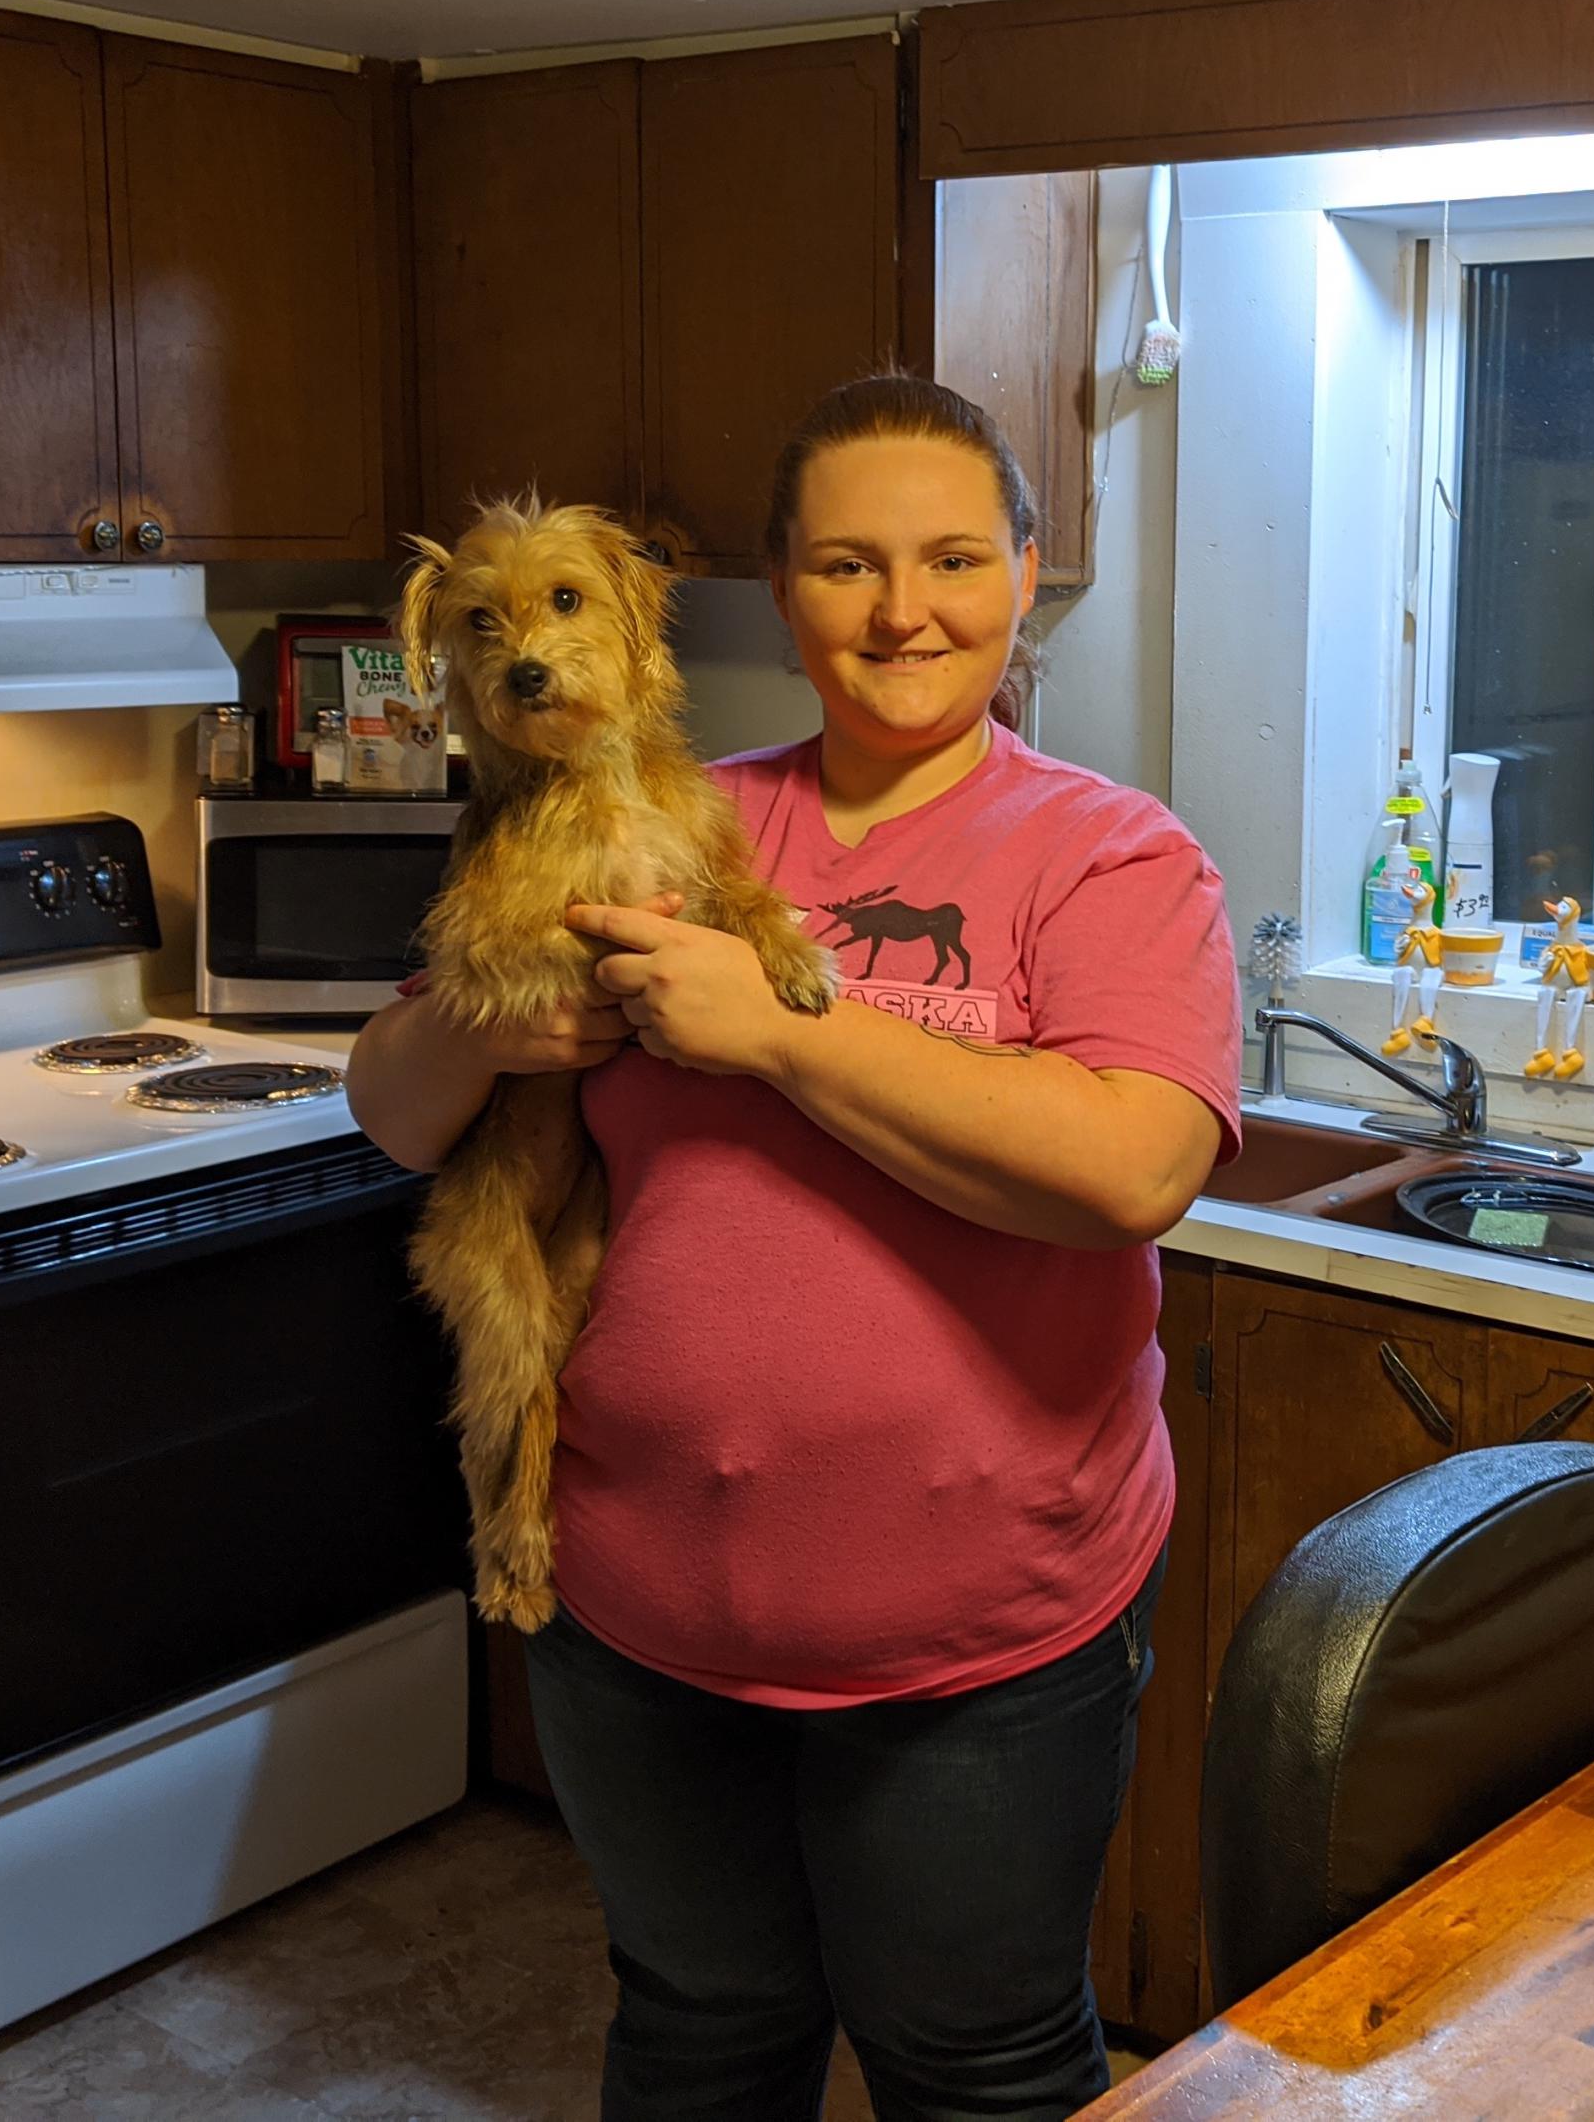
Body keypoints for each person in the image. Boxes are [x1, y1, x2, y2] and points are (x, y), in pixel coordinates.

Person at [346, 374, 1242, 2122]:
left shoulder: (1110, 854)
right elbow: (394, 1104)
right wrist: (494, 1031)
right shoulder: (659, 807)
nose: (903, 609)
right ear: (777, 589)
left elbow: (1134, 1169)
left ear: (1027, 575)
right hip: (634, 1614)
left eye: (954, 558)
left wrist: (777, 1031)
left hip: (977, 1642)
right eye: (847, 562)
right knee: (697, 2032)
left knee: (971, 2062)